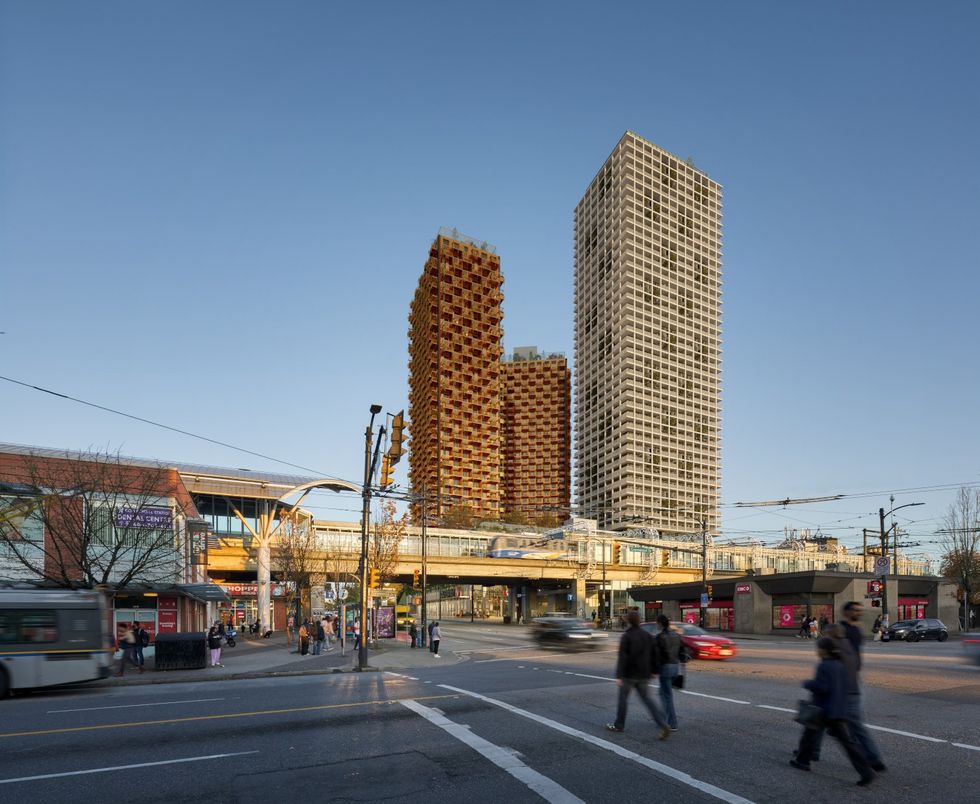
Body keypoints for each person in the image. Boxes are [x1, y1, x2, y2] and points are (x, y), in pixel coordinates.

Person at [811, 602, 886, 772]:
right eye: (855, 610)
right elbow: (833, 656)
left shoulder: (856, 632)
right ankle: (813, 751)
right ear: (846, 612)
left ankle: (871, 760)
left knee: (836, 722)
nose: (859, 613)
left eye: (860, 610)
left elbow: (851, 658)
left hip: (846, 684)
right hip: (839, 683)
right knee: (823, 720)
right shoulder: (838, 630)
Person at [790, 637, 875, 786]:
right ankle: (865, 771)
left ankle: (803, 762)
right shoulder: (840, 664)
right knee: (847, 743)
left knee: (809, 735)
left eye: (818, 648)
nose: (816, 651)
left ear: (824, 650)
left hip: (822, 709)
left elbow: (823, 687)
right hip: (837, 709)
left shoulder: (824, 665)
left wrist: (808, 683)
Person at [605, 610, 670, 739]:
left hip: (628, 674)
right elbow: (654, 654)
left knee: (623, 700)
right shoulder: (647, 635)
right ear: (640, 621)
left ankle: (619, 725)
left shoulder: (627, 636)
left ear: (629, 621)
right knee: (648, 700)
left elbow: (622, 657)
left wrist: (619, 676)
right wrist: (654, 671)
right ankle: (663, 724)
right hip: (644, 674)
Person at [654, 615, 683, 731]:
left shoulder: (659, 637)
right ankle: (662, 718)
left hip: (665, 668)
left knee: (667, 696)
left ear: (660, 624)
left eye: (657, 623)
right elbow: (682, 651)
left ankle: (672, 723)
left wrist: (653, 669)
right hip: (675, 667)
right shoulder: (676, 635)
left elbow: (656, 655)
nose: (656, 625)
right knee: (663, 693)